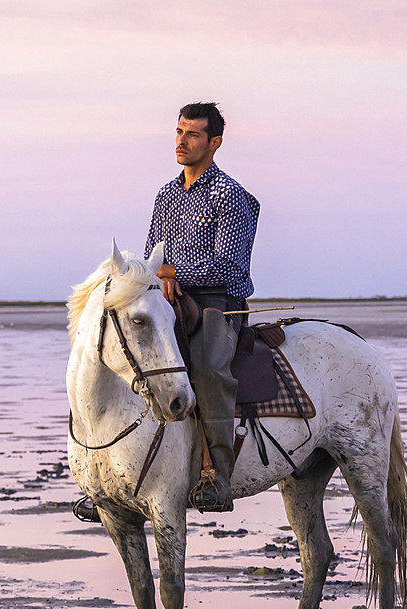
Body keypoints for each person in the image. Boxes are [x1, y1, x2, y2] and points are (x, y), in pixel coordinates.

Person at [145, 101, 260, 512]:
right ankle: (113, 466)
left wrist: (174, 272)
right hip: (168, 297)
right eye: (179, 131)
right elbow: (151, 256)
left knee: (209, 368)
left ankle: (218, 475)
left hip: (218, 302)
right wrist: (161, 275)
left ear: (215, 142)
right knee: (129, 349)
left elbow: (228, 266)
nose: (182, 140)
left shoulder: (230, 195)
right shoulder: (165, 195)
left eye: (193, 134)